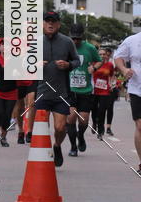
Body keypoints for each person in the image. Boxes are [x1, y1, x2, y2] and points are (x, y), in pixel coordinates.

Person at [27, 11, 79, 167]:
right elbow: (25, 63)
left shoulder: (67, 42)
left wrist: (68, 65)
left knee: (60, 127)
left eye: (53, 21)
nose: (50, 24)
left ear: (58, 24)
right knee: (43, 128)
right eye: (47, 21)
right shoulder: (36, 42)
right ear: (43, 24)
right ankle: (43, 155)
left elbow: (77, 60)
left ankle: (57, 146)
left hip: (61, 93)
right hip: (42, 92)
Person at [65, 23, 101, 156]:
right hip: (70, 89)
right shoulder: (65, 47)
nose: (75, 41)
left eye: (78, 39)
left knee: (84, 120)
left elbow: (99, 60)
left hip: (85, 91)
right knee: (70, 118)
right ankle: (73, 146)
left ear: (82, 37)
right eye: (73, 38)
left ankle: (81, 136)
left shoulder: (89, 48)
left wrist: (94, 68)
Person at [114, 30, 141, 174]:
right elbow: (118, 57)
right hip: (137, 89)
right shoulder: (132, 40)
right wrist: (124, 70)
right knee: (140, 125)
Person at [92, 48, 115, 140]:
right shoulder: (94, 64)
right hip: (94, 90)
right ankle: (94, 122)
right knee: (94, 109)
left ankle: (100, 131)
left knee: (102, 111)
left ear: (107, 55)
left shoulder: (109, 65)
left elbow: (112, 76)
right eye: (100, 54)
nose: (102, 56)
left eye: (104, 54)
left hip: (105, 91)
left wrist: (112, 84)